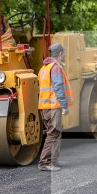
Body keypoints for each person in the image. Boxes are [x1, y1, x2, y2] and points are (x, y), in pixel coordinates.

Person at [37, 43, 73, 171]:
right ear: (60, 53)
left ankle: (53, 161)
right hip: (53, 106)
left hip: (44, 106)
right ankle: (44, 163)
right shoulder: (56, 67)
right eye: (64, 53)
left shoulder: (44, 68)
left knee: (55, 133)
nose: (65, 56)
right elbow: (58, 87)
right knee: (53, 134)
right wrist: (64, 105)